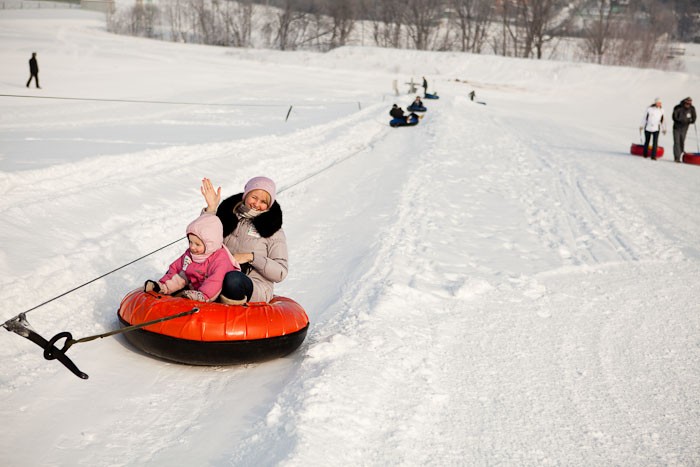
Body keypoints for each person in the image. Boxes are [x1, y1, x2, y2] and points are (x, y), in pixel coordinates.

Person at [200, 176, 287, 304]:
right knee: (187, 266)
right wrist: (211, 209)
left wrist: (251, 257)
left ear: (269, 205)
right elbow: (201, 241)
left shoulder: (274, 231)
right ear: (246, 195)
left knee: (233, 280)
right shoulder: (228, 216)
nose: (257, 204)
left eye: (263, 201)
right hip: (217, 275)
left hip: (254, 284)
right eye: (254, 197)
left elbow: (280, 272)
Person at [145, 214, 240, 302]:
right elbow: (175, 269)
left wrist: (203, 295)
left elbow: (216, 280)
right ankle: (162, 287)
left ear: (211, 244)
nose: (192, 247)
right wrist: (164, 282)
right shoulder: (190, 254)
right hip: (194, 289)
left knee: (218, 280)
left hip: (214, 294)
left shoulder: (220, 259)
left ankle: (200, 296)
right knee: (182, 274)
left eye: (197, 244)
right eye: (190, 242)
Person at [672, 97, 697, 163]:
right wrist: (679, 121)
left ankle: (682, 155)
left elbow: (694, 116)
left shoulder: (692, 108)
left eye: (690, 102)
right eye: (687, 102)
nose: (688, 104)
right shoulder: (678, 107)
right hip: (677, 127)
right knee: (677, 142)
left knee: (682, 141)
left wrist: (692, 121)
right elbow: (674, 116)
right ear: (684, 102)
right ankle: (677, 157)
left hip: (685, 128)